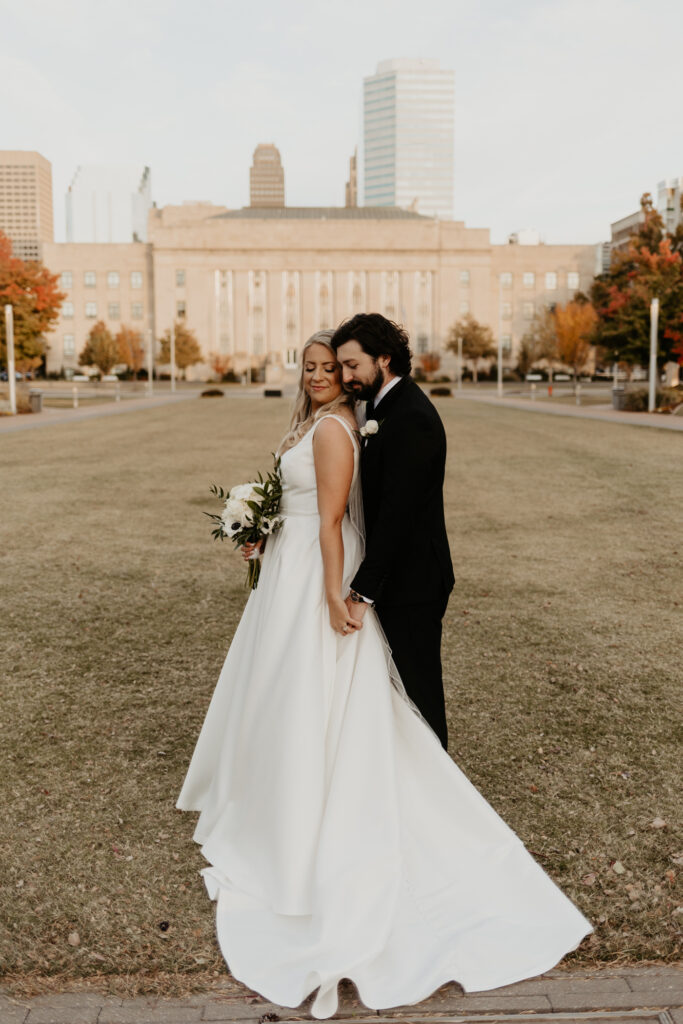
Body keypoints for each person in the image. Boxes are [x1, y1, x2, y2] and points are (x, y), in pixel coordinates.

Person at [176, 327, 592, 1020]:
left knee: (368, 695)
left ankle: (404, 785)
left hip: (357, 576)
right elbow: (319, 507)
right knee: (289, 683)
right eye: (314, 363)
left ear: (372, 365)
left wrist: (346, 593)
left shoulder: (367, 425)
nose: (325, 373)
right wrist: (262, 523)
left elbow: (349, 518)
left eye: (337, 364)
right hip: (301, 568)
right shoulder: (347, 418)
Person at [331, 313, 454, 749]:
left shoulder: (412, 416)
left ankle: (439, 789)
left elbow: (398, 518)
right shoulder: (377, 407)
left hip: (413, 581)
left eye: (352, 365)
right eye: (340, 366)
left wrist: (362, 594)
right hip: (395, 576)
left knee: (418, 695)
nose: (345, 375)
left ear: (384, 358)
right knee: (394, 695)